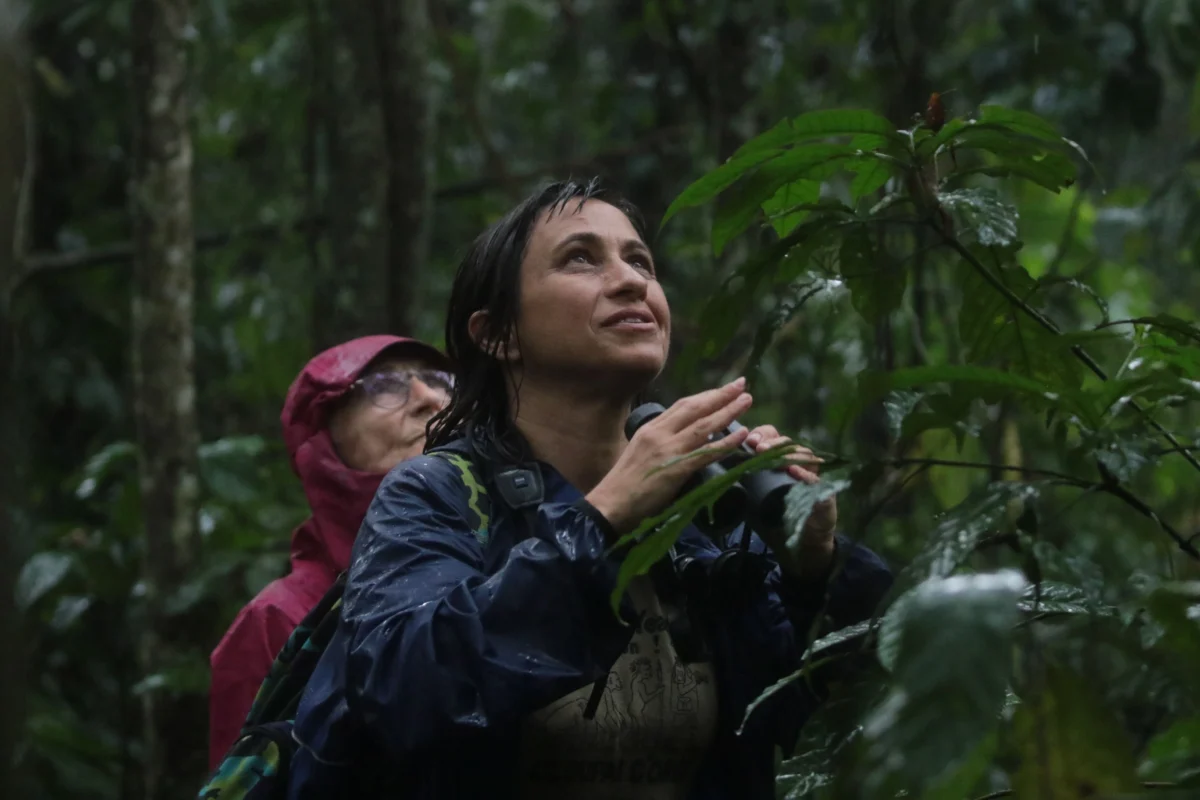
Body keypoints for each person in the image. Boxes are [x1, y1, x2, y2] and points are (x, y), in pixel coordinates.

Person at [286, 180, 894, 799]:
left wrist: (815, 568)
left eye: (640, 261)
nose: (631, 281)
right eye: (581, 258)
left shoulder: (707, 510)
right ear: (499, 334)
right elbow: (405, 694)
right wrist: (602, 518)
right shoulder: (436, 493)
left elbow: (831, 711)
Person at [207, 335, 453, 769]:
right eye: (385, 385)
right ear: (326, 439)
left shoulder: (513, 564)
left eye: (441, 380)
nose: (428, 397)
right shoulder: (277, 618)